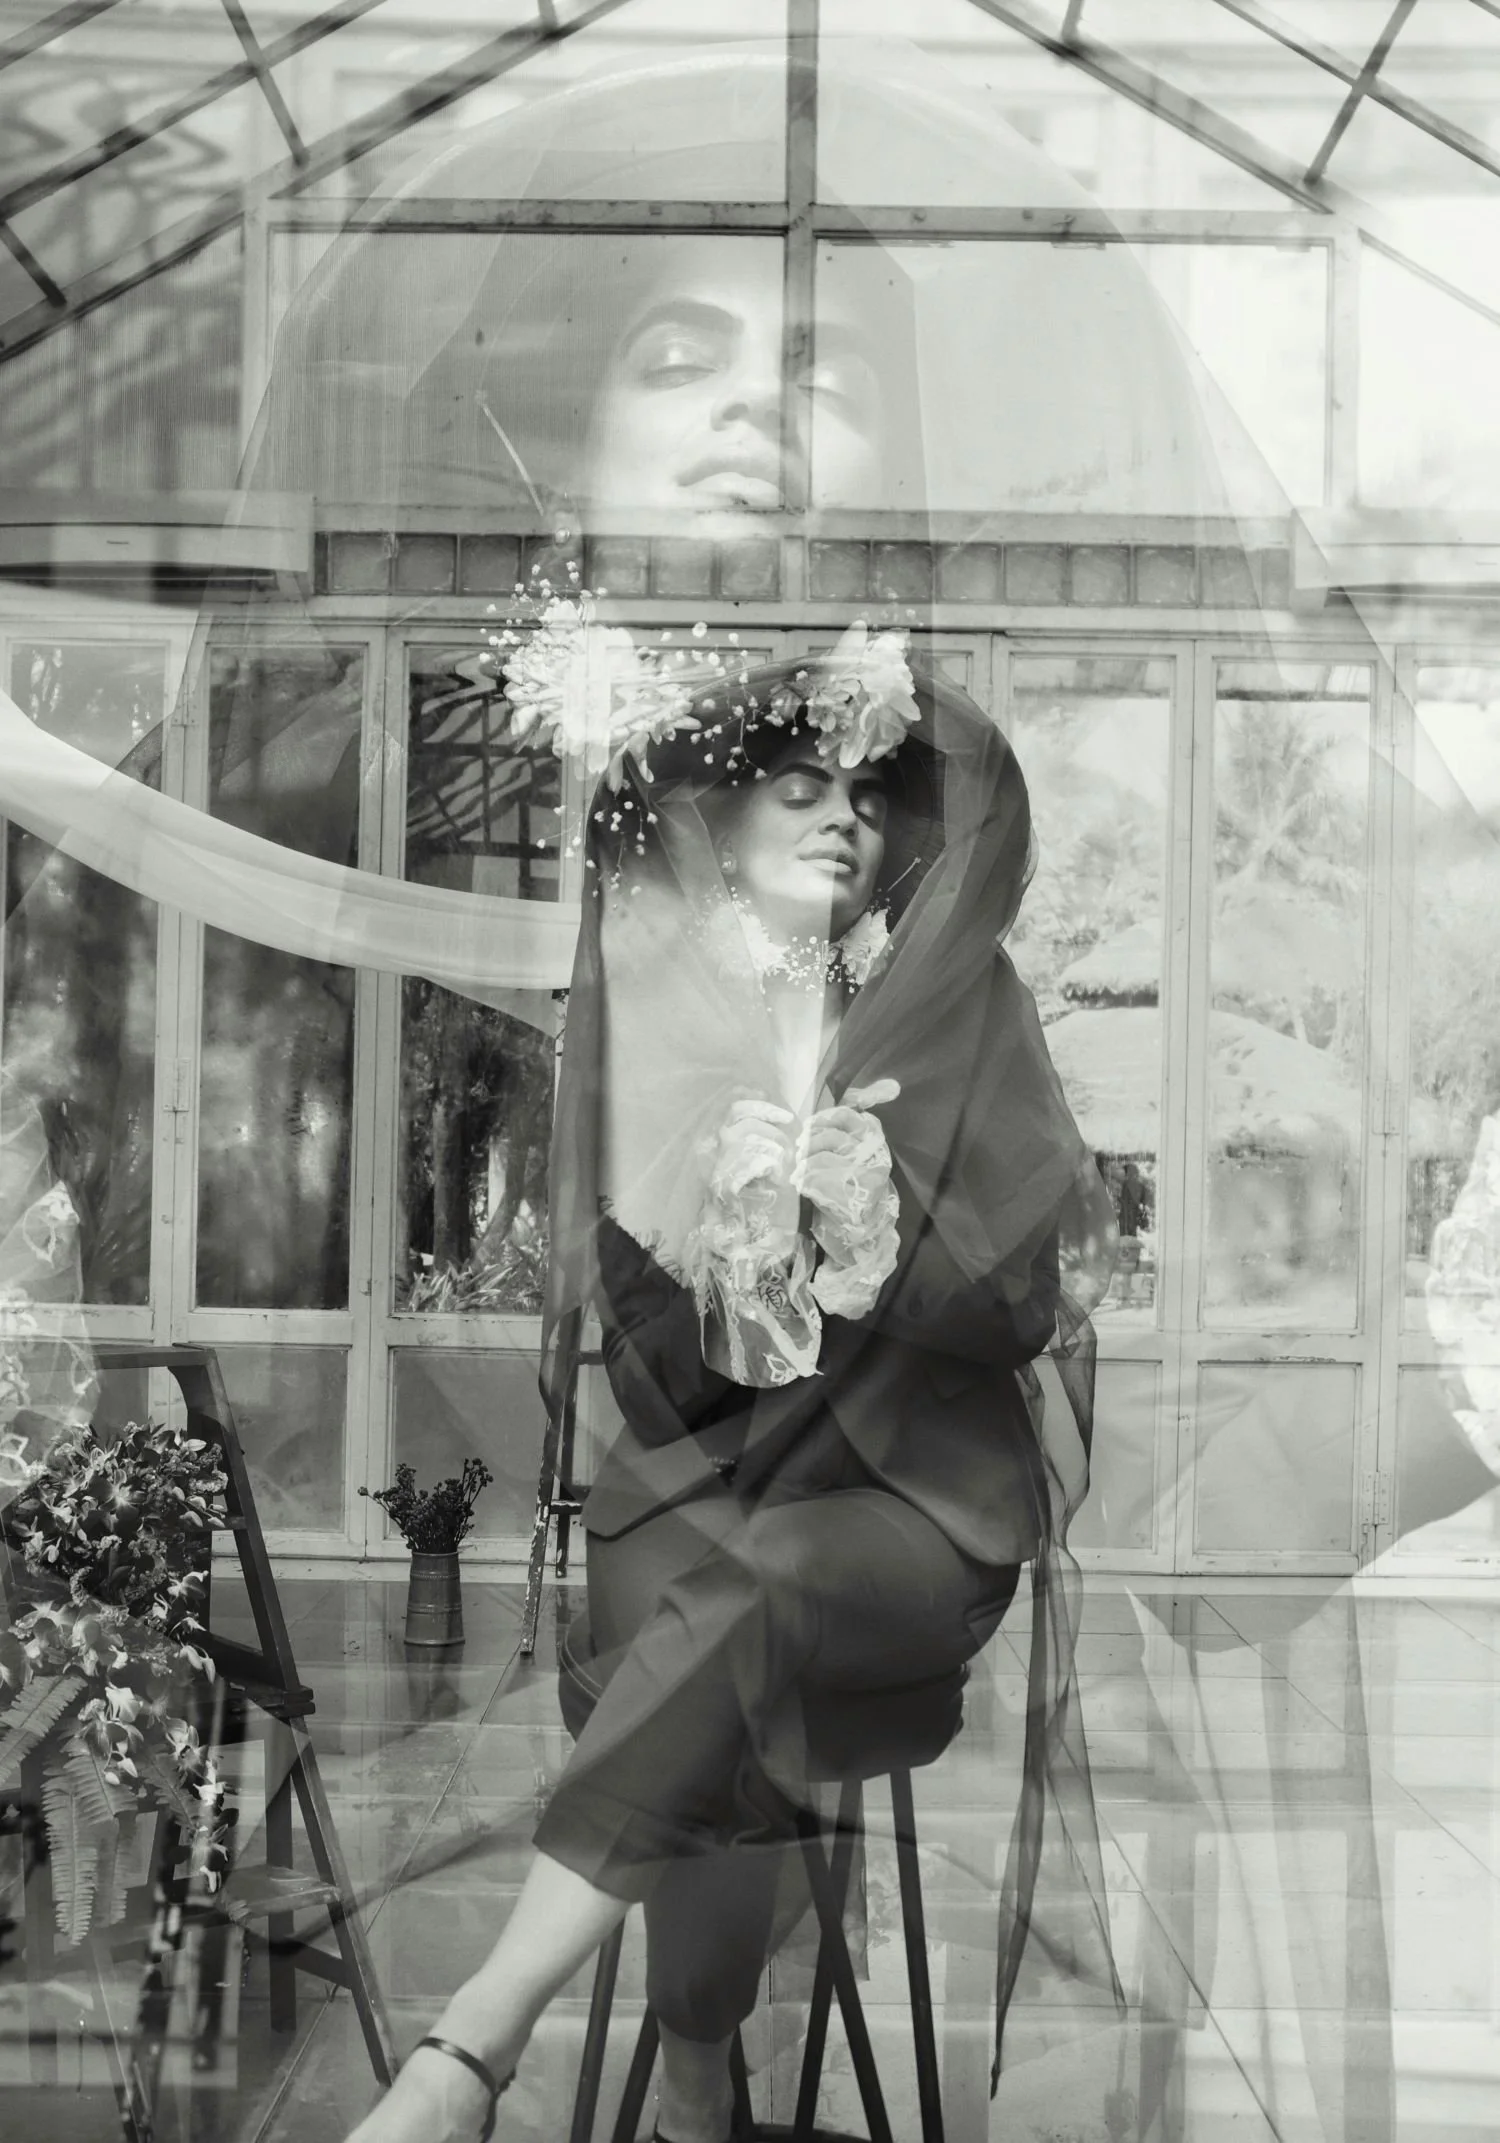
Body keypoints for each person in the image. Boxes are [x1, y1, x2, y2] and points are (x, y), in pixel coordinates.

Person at [348, 621, 1119, 2143]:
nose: (845, 812)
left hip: (910, 1506)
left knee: (754, 1599)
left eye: (867, 791)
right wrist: (730, 1230)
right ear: (716, 821)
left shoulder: (965, 1000)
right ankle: (699, 2058)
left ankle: (479, 2058)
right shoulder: (654, 1014)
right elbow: (636, 1348)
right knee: (700, 1630)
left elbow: (1024, 1296)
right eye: (797, 783)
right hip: (693, 1482)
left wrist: (882, 1231)